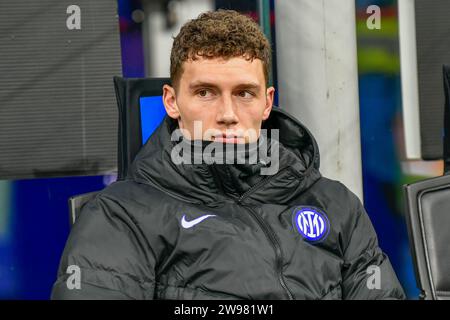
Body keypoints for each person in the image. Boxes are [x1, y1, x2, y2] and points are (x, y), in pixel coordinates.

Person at [51, 9, 405, 300]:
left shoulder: (335, 204)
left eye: (244, 94)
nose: (227, 114)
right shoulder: (122, 214)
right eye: (205, 92)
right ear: (172, 102)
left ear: (267, 102)